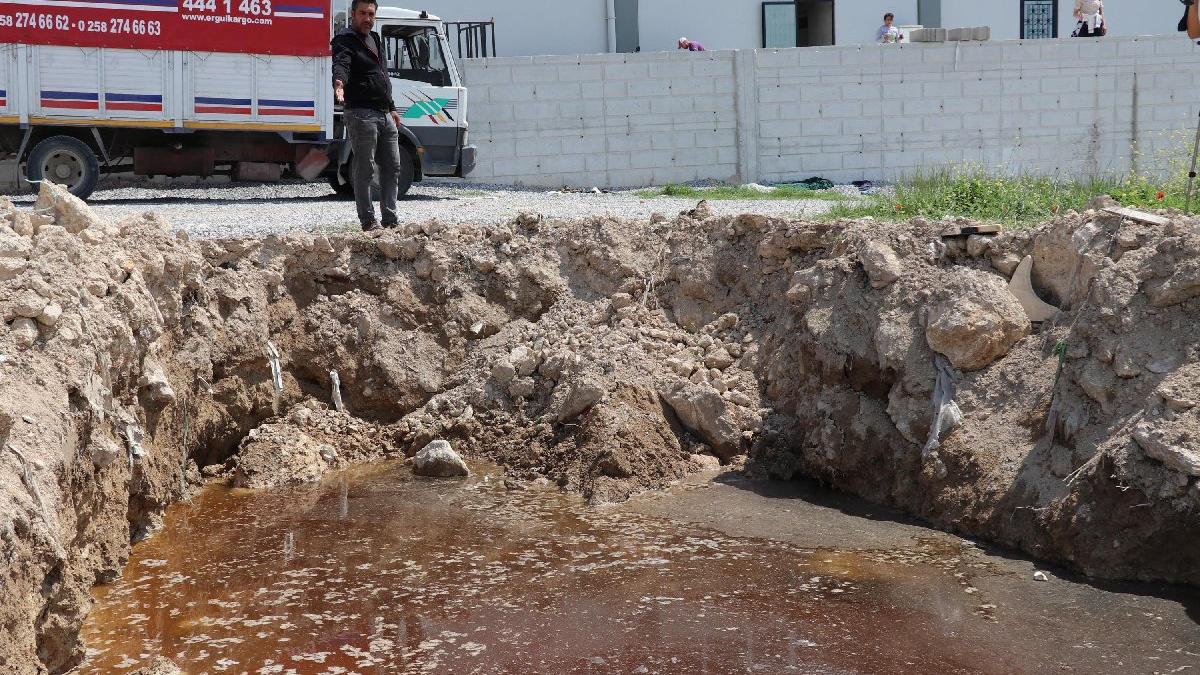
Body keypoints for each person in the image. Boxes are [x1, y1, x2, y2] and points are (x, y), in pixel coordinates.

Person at [332, 0, 402, 231]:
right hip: (361, 114)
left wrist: (391, 107)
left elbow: (382, 75)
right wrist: (339, 82)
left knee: (392, 167)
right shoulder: (345, 40)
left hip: (384, 114)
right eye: (362, 13)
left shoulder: (376, 39)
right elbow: (341, 63)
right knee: (365, 169)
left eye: (371, 14)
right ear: (353, 14)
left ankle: (390, 221)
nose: (367, 18)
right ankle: (368, 221)